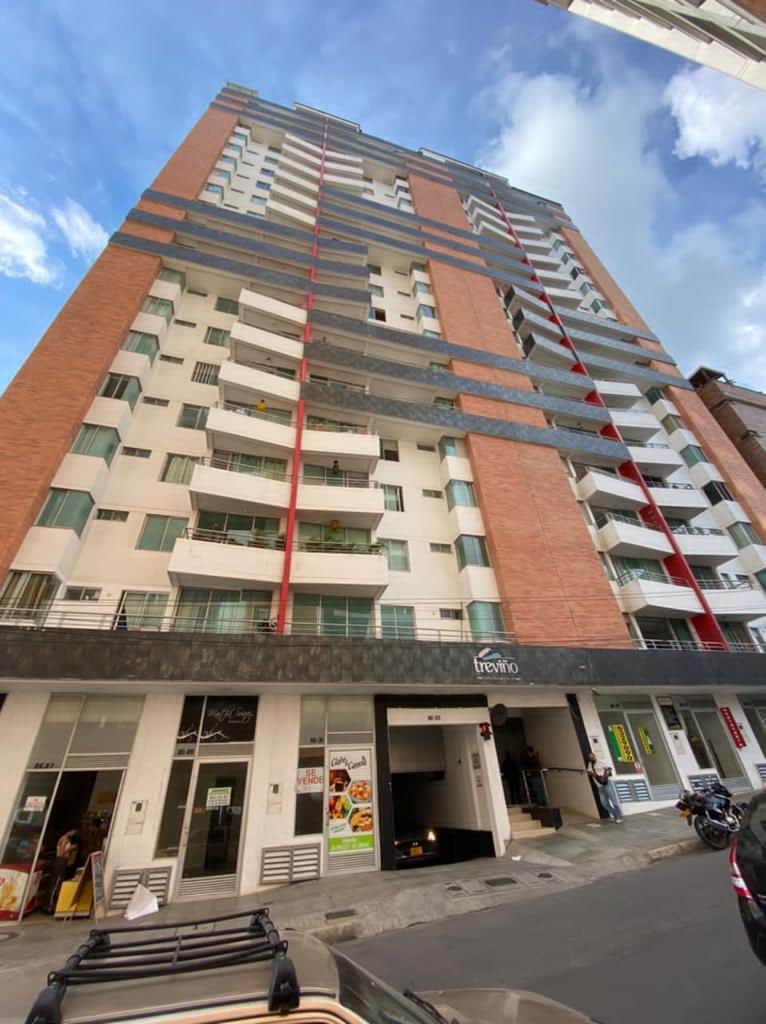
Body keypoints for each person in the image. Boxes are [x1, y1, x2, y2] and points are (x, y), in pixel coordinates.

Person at [47, 828, 81, 914]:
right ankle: (50, 906)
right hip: (60, 861)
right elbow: (62, 852)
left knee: (57, 883)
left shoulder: (66, 839)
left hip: (61, 861)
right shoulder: (64, 839)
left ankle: (52, 905)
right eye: (73, 832)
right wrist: (70, 849)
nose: (73, 833)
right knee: (56, 883)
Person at [587, 752, 623, 823]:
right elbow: (589, 771)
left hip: (607, 784)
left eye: (592, 756)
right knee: (604, 804)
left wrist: (604, 777)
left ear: (594, 755)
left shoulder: (600, 761)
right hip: (599, 786)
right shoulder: (590, 764)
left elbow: (609, 769)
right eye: (589, 757)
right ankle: (616, 815)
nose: (591, 757)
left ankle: (619, 817)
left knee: (614, 801)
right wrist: (592, 773)